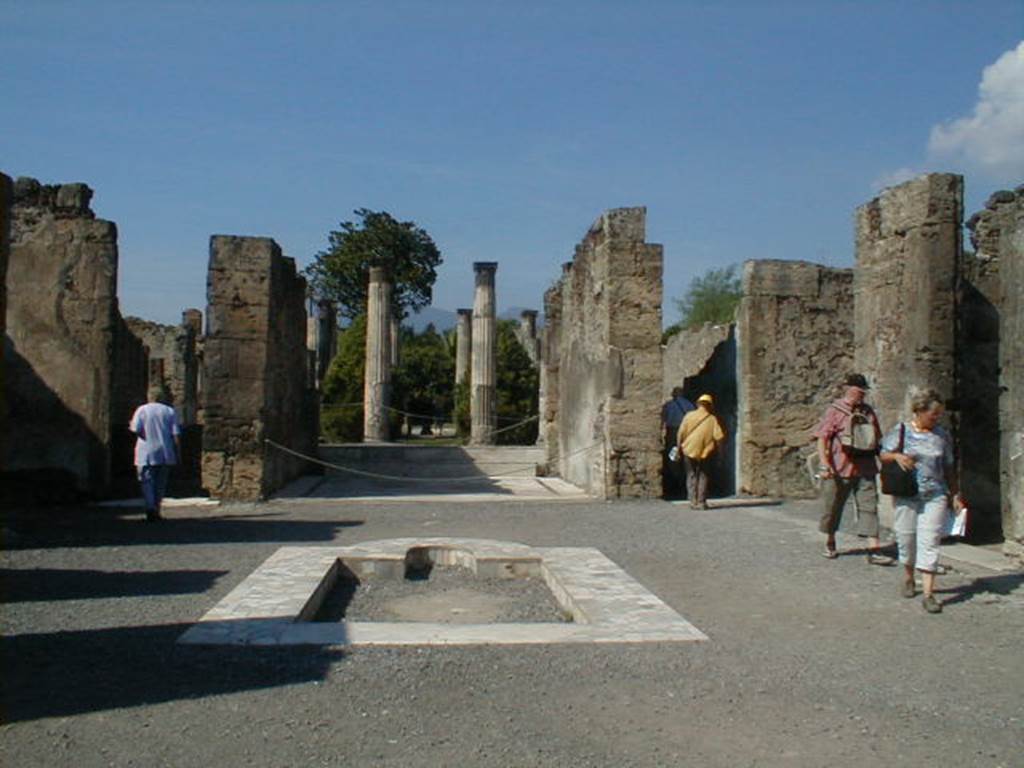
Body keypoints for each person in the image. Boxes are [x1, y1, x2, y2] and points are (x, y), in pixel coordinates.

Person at [879, 387, 964, 614]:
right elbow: (883, 454)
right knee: (906, 537)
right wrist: (897, 456)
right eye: (933, 414)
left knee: (930, 541)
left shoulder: (942, 435)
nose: (936, 418)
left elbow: (948, 466)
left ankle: (928, 593)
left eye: (939, 414)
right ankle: (908, 576)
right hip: (907, 493)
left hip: (935, 494)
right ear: (919, 411)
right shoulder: (902, 430)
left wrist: (955, 494)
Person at [814, 373, 894, 565]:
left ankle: (873, 549)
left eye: (864, 391)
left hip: (865, 467)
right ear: (849, 389)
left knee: (869, 506)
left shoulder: (868, 412)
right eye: (860, 391)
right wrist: (825, 464)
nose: (862, 394)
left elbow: (877, 438)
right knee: (832, 507)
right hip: (839, 467)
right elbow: (822, 438)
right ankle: (830, 541)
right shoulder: (835, 410)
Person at [130, 384, 181, 522]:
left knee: (146, 481)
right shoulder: (169, 411)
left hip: (146, 451)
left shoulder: (142, 410)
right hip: (165, 451)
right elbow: (175, 434)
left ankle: (150, 506)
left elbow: (136, 429)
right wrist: (178, 452)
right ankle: (156, 508)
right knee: (160, 483)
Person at [676, 393, 726, 510]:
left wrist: (678, 448)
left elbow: (680, 434)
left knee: (691, 475)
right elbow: (719, 437)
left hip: (688, 449)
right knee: (703, 475)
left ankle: (693, 501)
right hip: (705, 452)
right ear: (710, 406)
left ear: (698, 404)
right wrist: (721, 453)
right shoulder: (712, 419)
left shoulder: (688, 416)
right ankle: (701, 502)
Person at [661, 387, 695, 499]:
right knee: (686, 456)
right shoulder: (689, 405)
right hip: (686, 432)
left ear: (674, 394)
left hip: (672, 432)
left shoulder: (668, 405)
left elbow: (663, 420)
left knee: (672, 456)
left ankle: (675, 481)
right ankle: (685, 480)